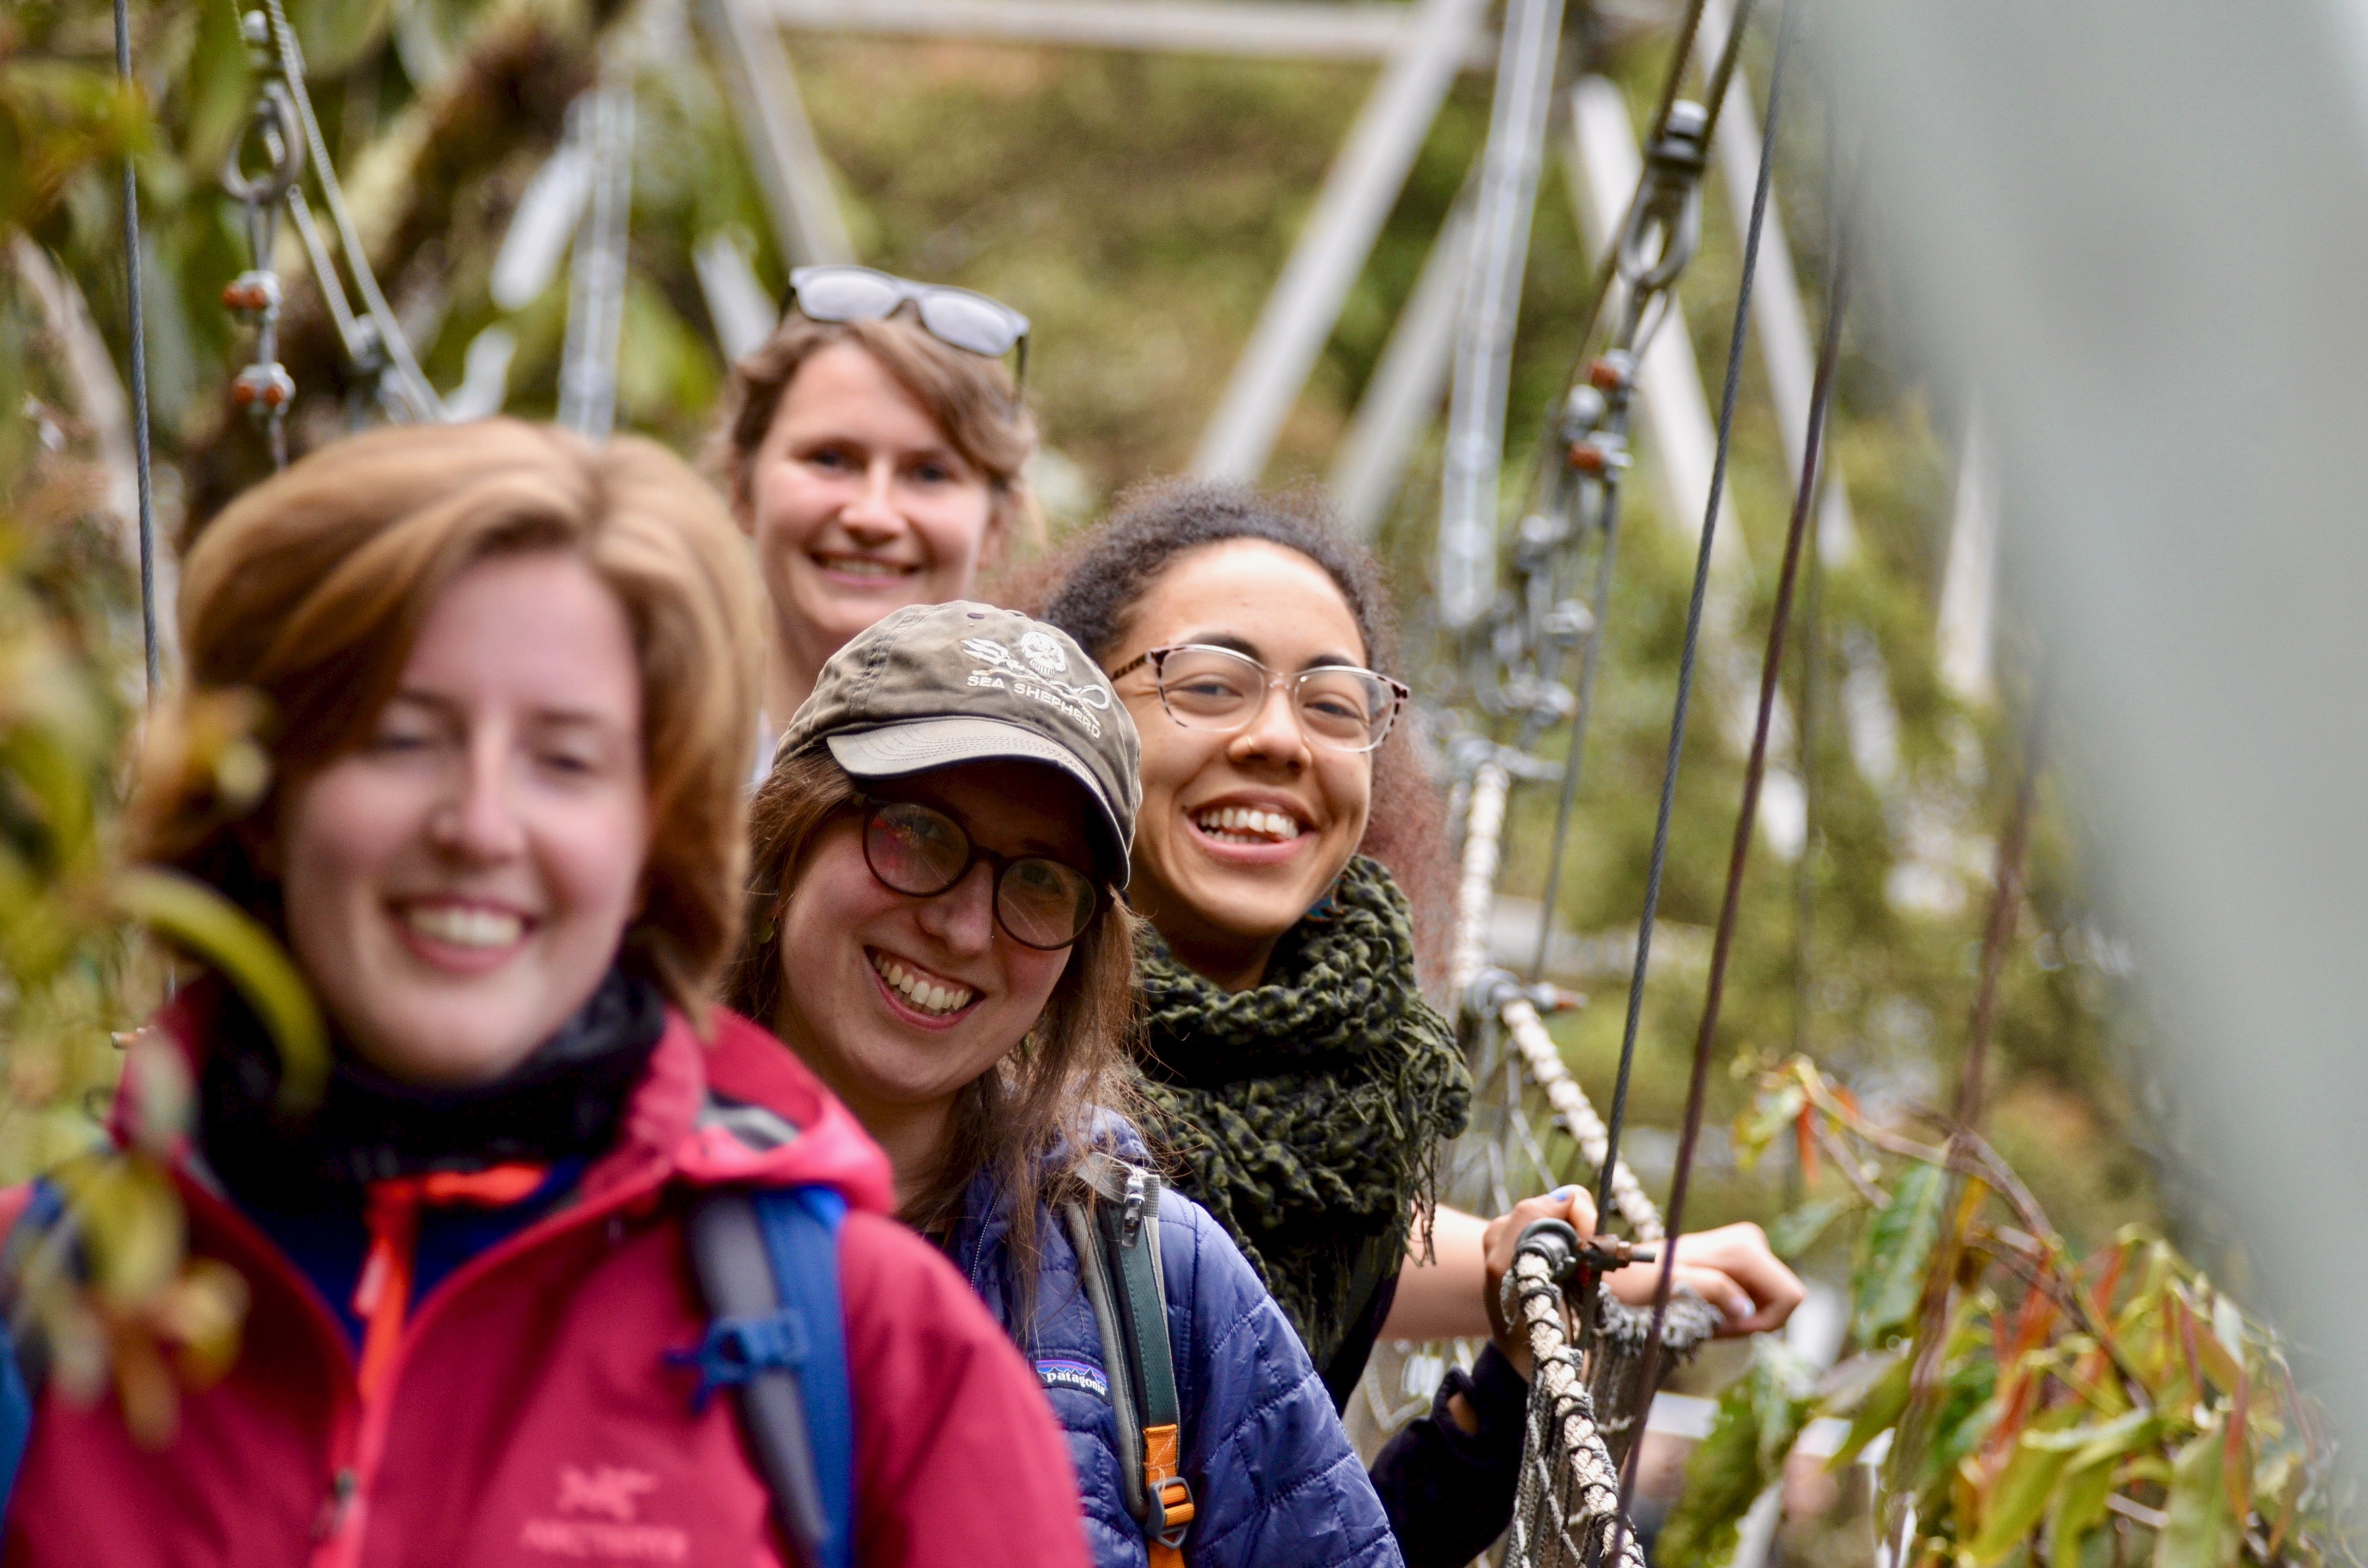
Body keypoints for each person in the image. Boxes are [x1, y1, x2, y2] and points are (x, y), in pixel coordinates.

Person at [0, 421, 1092, 1567]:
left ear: (651, 841)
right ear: (263, 804)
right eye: (402, 737)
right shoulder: (36, 1307)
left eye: (566, 760)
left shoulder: (875, 1354)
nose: (478, 825)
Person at [1041, 480, 1807, 1568]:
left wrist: (1541, 1325)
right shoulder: (990, 1087)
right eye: (1208, 684)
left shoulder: (1351, 1113)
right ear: (1073, 714)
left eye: (1335, 703)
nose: (1276, 739)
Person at [722, 601, 1403, 1568]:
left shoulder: (1158, 1286)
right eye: (917, 832)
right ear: (789, 838)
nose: (963, 928)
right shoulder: (569, 1203)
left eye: (1040, 881)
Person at [710, 266, 1037, 764]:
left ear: (996, 526)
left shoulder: (1038, 793)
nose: (873, 516)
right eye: (830, 459)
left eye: (929, 474)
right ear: (742, 485)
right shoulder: (639, 761)